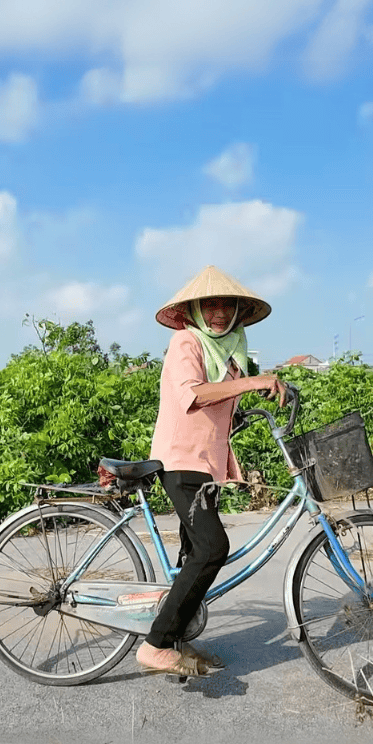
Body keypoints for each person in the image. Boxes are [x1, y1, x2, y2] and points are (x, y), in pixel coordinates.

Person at [135, 265, 286, 677]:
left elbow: (222, 402)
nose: (220, 312)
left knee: (192, 554)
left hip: (207, 464)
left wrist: (247, 405)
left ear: (239, 311)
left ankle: (179, 638)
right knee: (212, 548)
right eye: (211, 304)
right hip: (181, 461)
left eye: (228, 304)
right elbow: (194, 394)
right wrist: (254, 383)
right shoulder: (187, 341)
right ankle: (156, 644)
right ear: (196, 310)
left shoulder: (233, 349)